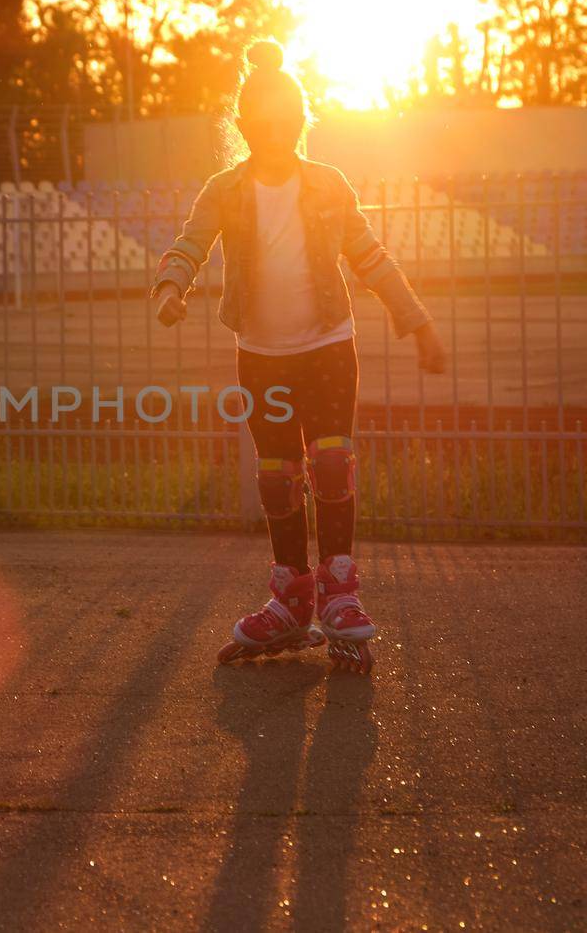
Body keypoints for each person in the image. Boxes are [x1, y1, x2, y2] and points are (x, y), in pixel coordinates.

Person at [150, 40, 448, 666]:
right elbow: (191, 242)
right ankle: (292, 598)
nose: (275, 130)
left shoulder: (328, 185)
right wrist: (173, 287)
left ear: (300, 121)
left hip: (327, 347)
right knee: (277, 479)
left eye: (286, 120)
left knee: (333, 464)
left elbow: (370, 257)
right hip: (261, 354)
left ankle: (341, 594)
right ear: (245, 124)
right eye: (262, 121)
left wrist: (414, 319)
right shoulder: (224, 189)